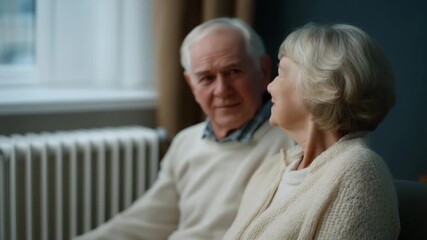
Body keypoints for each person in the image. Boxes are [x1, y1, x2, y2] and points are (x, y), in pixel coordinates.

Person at [75, 18, 294, 240]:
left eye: (233, 71)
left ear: (264, 70)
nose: (221, 90)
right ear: (191, 83)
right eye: (206, 78)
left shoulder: (293, 142)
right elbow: (145, 221)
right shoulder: (185, 142)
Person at [223, 22, 400, 239]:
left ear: (322, 83)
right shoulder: (269, 171)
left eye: (281, 73)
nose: (270, 87)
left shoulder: (360, 170)